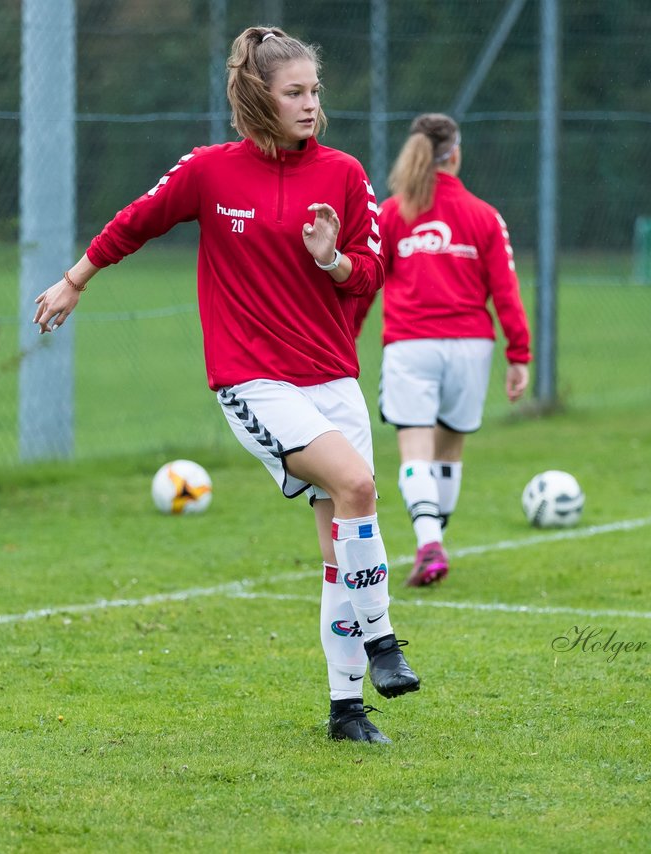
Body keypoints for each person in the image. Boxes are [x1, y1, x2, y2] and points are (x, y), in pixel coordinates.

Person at [32, 27, 418, 744]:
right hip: (252, 378)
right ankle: (384, 643)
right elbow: (136, 222)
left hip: (332, 377)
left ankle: (345, 711)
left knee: (340, 547)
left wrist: (334, 260)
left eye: (314, 91)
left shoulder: (341, 173)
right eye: (295, 92)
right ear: (259, 98)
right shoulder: (210, 172)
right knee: (358, 487)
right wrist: (74, 278)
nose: (311, 104)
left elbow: (372, 272)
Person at [370, 112, 531, 587]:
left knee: (414, 450)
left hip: (411, 345)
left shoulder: (393, 213)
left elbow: (365, 285)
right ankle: (433, 542)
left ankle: (427, 544)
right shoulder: (485, 216)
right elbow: (506, 291)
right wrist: (518, 354)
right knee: (449, 450)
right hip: (471, 348)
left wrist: (346, 336)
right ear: (455, 154)